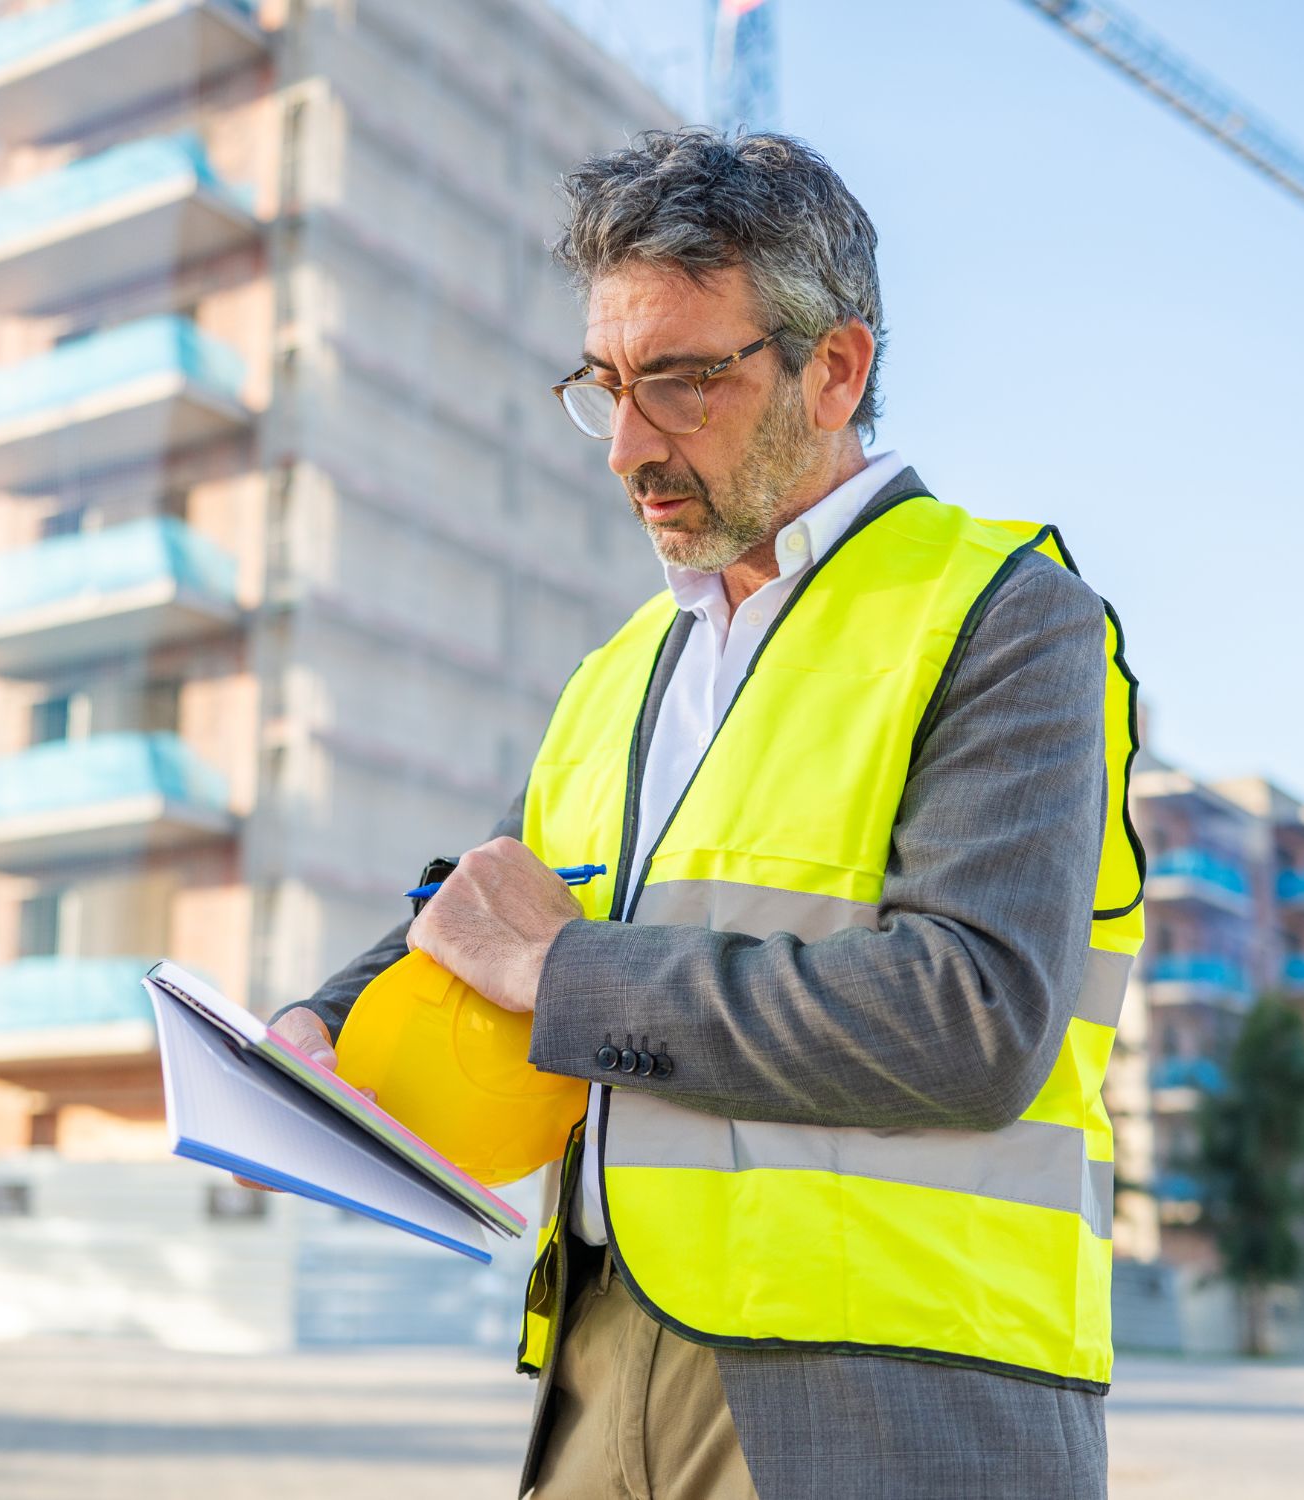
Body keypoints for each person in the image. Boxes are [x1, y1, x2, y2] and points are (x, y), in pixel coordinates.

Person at [268, 128, 1143, 1500]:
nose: (628, 447)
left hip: (891, 1396)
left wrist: (563, 972)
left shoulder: (1001, 614)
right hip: (601, 1361)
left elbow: (974, 1019)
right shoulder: (625, 667)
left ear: (835, 368)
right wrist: (312, 1041)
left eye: (679, 382)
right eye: (604, 386)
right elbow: (498, 910)